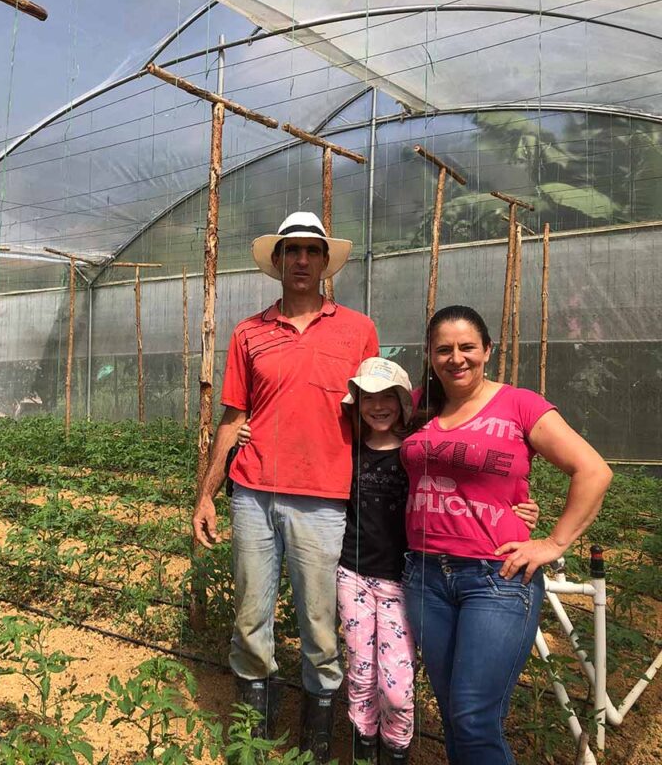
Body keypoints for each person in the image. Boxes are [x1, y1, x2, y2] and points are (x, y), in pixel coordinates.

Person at [236, 356, 541, 764]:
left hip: (405, 580)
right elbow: (301, 443)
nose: (378, 406)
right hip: (353, 578)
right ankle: (365, 748)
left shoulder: (416, 452)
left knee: (397, 686)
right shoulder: (346, 451)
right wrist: (248, 433)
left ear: (403, 402)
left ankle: (396, 748)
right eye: (367, 398)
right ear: (356, 403)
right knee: (361, 674)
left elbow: (467, 479)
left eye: (388, 398)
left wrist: (517, 507)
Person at [192, 211, 378, 760]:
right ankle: (254, 731)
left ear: (325, 262)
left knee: (320, 623)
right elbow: (232, 416)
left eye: (311, 251)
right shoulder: (249, 332)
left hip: (324, 499)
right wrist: (206, 492)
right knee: (250, 616)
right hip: (252, 493)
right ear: (276, 263)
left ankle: (318, 733)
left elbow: (378, 412)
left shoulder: (358, 330)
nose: (301, 260)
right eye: (290, 251)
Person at [401, 304, 612, 765]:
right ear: (430, 355)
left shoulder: (520, 404)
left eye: (467, 347)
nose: (456, 358)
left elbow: (593, 470)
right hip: (423, 576)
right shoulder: (418, 405)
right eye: (443, 349)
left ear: (487, 350)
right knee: (455, 713)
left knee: (475, 717)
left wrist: (554, 542)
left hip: (495, 578)